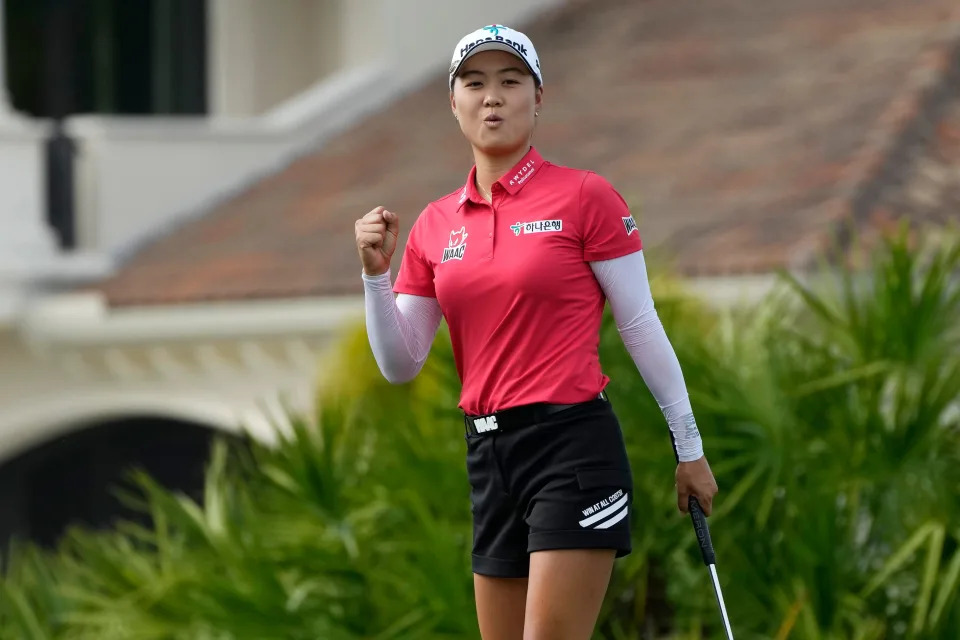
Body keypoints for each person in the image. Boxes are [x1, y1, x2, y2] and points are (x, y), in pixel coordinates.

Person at [355, 24, 719, 640]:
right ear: (454, 102)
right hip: (489, 455)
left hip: (572, 446)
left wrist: (689, 448)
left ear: (538, 96)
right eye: (474, 83)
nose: (491, 97)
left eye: (509, 81)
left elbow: (638, 324)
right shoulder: (433, 226)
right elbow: (401, 362)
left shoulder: (585, 197)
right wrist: (375, 276)